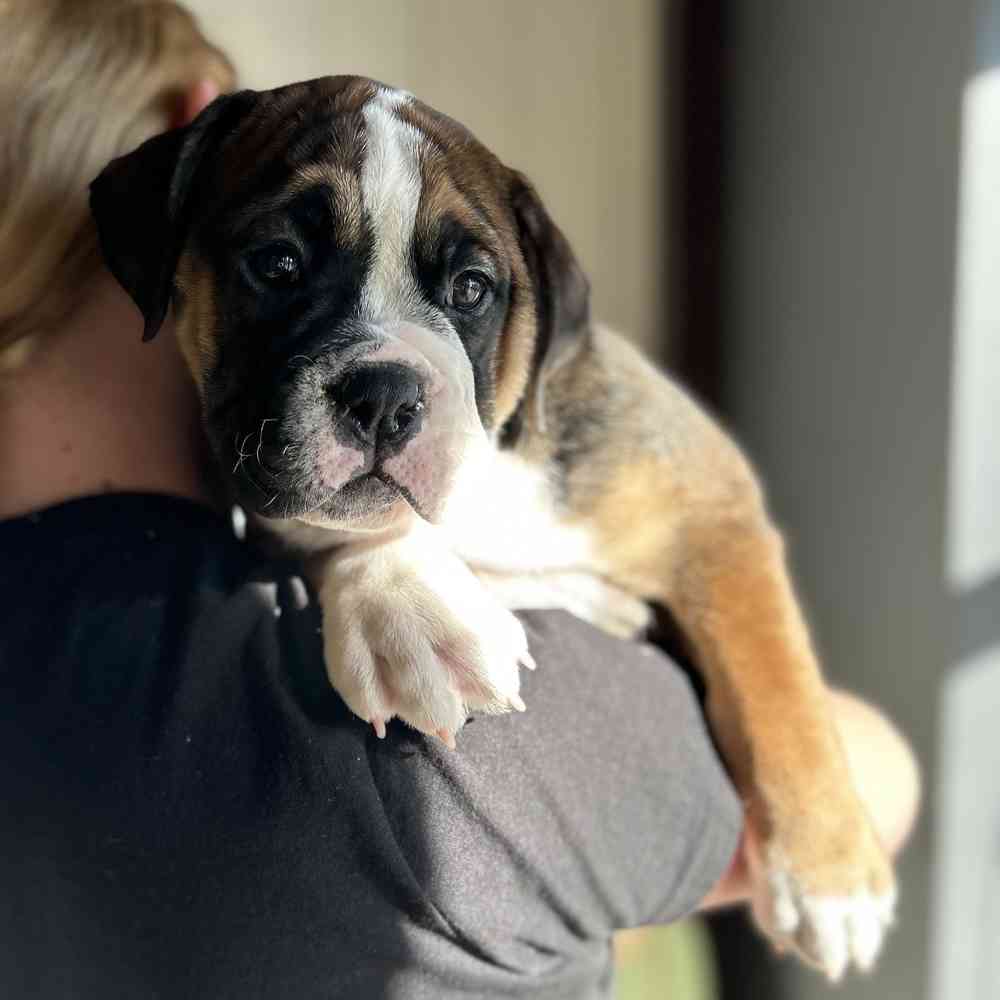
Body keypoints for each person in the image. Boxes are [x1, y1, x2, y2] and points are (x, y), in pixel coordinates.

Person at [0, 2, 919, 997]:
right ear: (193, 122)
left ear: (531, 309)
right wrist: (365, 555)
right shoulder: (438, 780)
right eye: (282, 266)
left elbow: (713, 520)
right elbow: (891, 780)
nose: (382, 375)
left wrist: (806, 794)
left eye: (465, 291)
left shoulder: (583, 442)